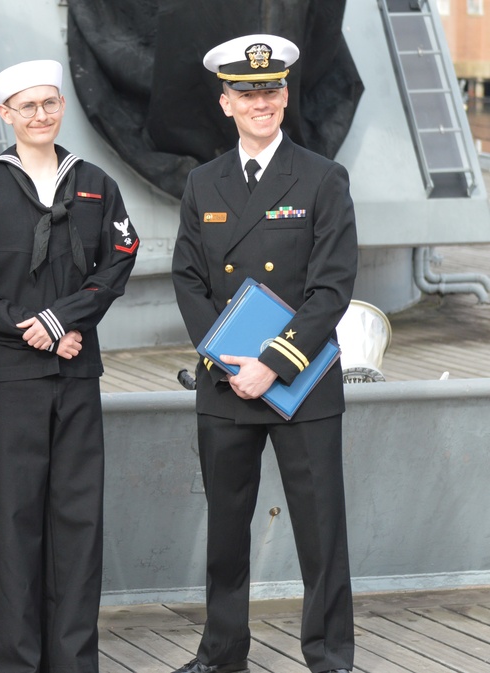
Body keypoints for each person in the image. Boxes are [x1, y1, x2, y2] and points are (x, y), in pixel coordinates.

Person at [170, 34, 357, 673]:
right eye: (247, 92)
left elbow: (331, 287)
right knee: (225, 533)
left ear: (285, 95)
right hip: (227, 386)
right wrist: (230, 363)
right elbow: (188, 279)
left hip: (301, 382)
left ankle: (330, 656)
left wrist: (272, 363)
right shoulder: (203, 182)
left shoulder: (323, 177)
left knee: (321, 531)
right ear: (225, 102)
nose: (261, 102)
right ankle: (222, 654)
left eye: (272, 89)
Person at [0, 60, 139, 673]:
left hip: (79, 374)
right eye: (26, 107)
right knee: (14, 522)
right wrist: (37, 332)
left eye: (50, 104)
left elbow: (117, 262)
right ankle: (16, 661)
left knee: (79, 520)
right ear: (5, 114)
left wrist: (66, 321)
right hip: (14, 376)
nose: (40, 116)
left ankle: (74, 660)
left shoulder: (95, 183)